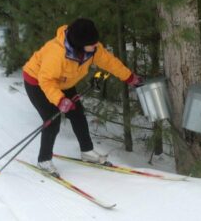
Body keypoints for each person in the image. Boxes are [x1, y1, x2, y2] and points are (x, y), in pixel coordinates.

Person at [23, 18, 142, 175]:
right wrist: (60, 100)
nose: (96, 46)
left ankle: (87, 152)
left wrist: (129, 77)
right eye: (92, 44)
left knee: (78, 114)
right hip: (38, 82)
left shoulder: (92, 49)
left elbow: (110, 62)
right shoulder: (56, 53)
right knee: (52, 120)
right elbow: (46, 80)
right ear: (79, 44)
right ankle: (44, 160)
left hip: (64, 82)